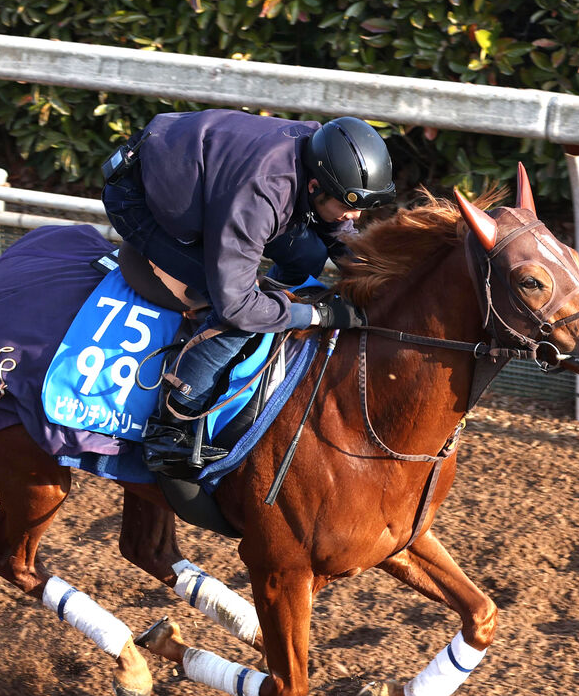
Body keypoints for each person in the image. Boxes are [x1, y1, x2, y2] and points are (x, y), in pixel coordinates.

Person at [100, 109, 396, 472]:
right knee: (241, 310)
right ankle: (170, 431)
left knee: (310, 253)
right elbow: (237, 305)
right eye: (348, 207)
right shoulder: (263, 193)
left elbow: (334, 234)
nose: (356, 218)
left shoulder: (319, 155)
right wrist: (315, 314)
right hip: (137, 201)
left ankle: (271, 315)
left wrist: (374, 271)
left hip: (212, 186)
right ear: (315, 187)